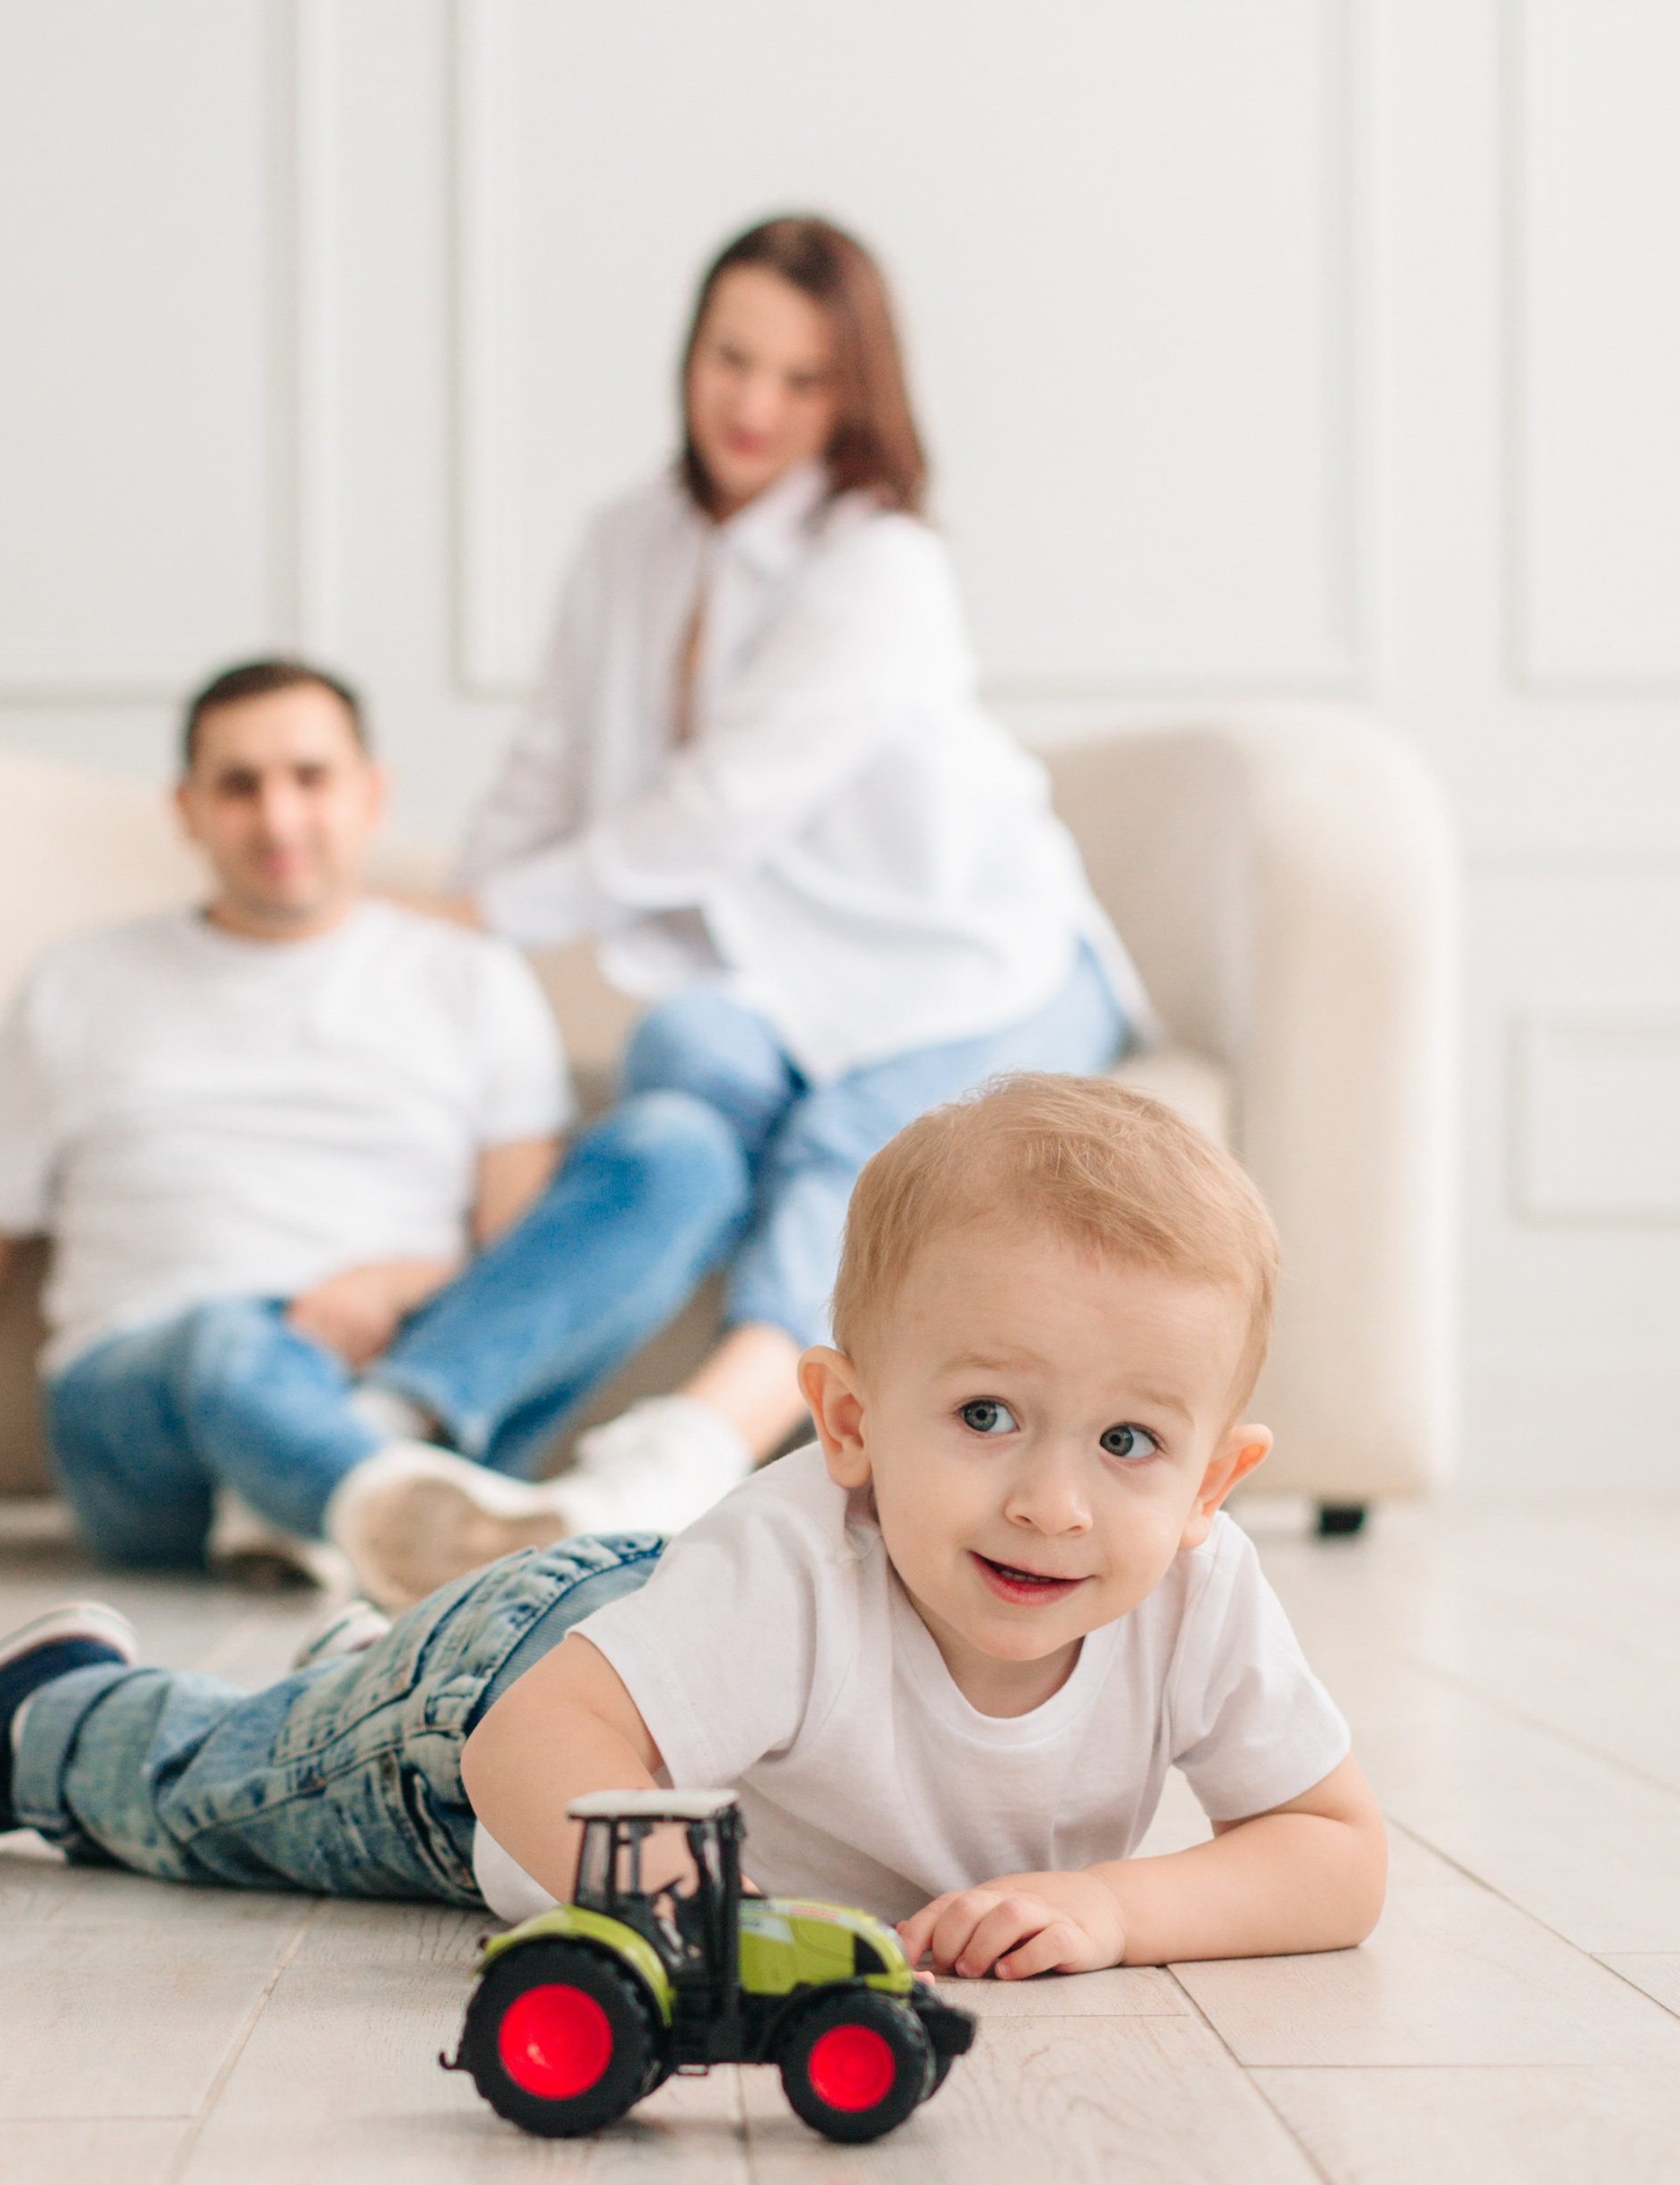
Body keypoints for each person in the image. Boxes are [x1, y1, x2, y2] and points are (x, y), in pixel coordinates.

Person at [0, 1076, 1386, 1988]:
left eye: (1129, 1443)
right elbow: (530, 1749)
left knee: (397, 1691)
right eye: (985, 1414)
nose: (1052, 1500)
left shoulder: (1201, 1593)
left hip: (647, 1655)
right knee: (243, 1792)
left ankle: (351, 1659)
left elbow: (1334, 1854)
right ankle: (52, 1722)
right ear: (846, 1423)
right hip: (512, 1703)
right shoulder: (798, 1564)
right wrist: (702, 1928)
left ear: (1211, 1484)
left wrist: (1114, 1906)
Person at [331, 214, 1148, 1602]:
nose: (753, 406)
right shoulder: (627, 541)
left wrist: (501, 912)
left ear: (857, 393)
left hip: (978, 952)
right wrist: (456, 916)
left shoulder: (880, 565)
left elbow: (713, 812)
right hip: (795, 974)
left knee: (850, 1135)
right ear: (690, 354)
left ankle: (685, 1450)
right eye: (731, 359)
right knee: (674, 1091)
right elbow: (553, 768)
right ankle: (393, 1434)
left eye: (802, 379)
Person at [0, 658, 748, 1591]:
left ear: (371, 792)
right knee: (228, 1342)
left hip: (403, 1360)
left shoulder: (467, 975)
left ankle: (350, 1470)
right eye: (239, 786)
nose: (278, 816)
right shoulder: (80, 983)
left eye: (309, 778)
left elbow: (524, 1249)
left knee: (682, 1148)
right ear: (186, 810)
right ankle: (404, 1511)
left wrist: (393, 1285)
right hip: (149, 1405)